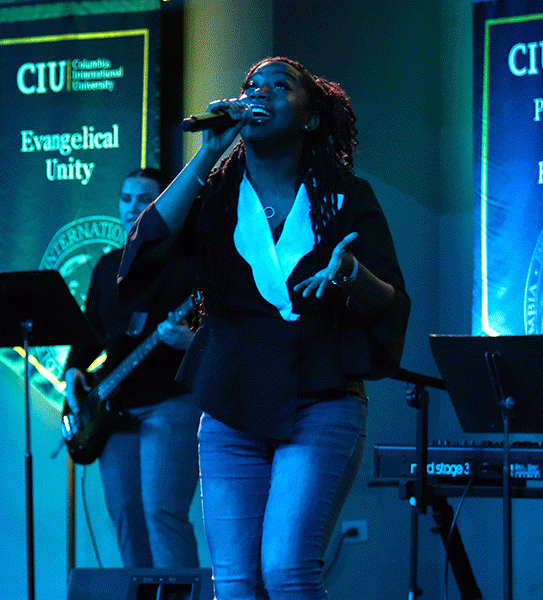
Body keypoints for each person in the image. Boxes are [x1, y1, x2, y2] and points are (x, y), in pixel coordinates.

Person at [117, 58, 409, 599]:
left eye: (282, 86)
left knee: (286, 571)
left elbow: (391, 303)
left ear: (312, 119)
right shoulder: (215, 198)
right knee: (235, 584)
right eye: (252, 85)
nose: (261, 93)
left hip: (319, 398)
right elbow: (144, 252)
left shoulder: (347, 197)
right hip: (231, 403)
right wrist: (208, 153)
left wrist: (350, 275)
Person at [63, 167, 201, 569]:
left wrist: (190, 341)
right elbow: (90, 331)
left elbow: (219, 331)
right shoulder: (107, 265)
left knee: (163, 513)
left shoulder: (189, 262)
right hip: (113, 407)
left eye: (144, 200)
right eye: (126, 199)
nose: (132, 208)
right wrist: (74, 369)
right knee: (126, 515)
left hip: (172, 398)